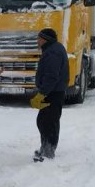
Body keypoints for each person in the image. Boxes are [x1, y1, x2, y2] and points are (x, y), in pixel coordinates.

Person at [29, 28, 68, 161]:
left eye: (39, 38)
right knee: (43, 121)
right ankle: (45, 148)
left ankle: (49, 151)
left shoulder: (53, 52)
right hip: (52, 91)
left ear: (46, 39)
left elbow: (51, 76)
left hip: (53, 92)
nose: (37, 41)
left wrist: (41, 94)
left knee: (49, 122)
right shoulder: (52, 49)